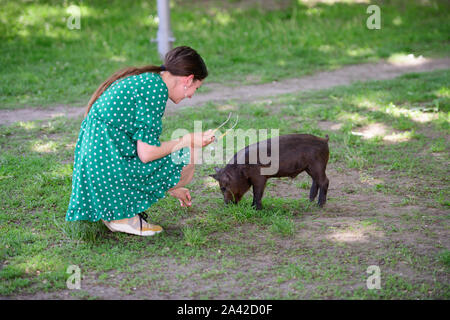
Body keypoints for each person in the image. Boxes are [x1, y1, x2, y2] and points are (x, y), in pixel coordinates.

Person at [66, 46, 215, 236]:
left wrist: (170, 187)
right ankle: (121, 217)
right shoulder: (155, 89)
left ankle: (117, 210)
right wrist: (187, 140)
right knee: (188, 155)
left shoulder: (150, 81)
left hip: (99, 167)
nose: (192, 94)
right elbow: (148, 154)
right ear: (187, 79)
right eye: (196, 87)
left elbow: (141, 147)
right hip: (106, 169)